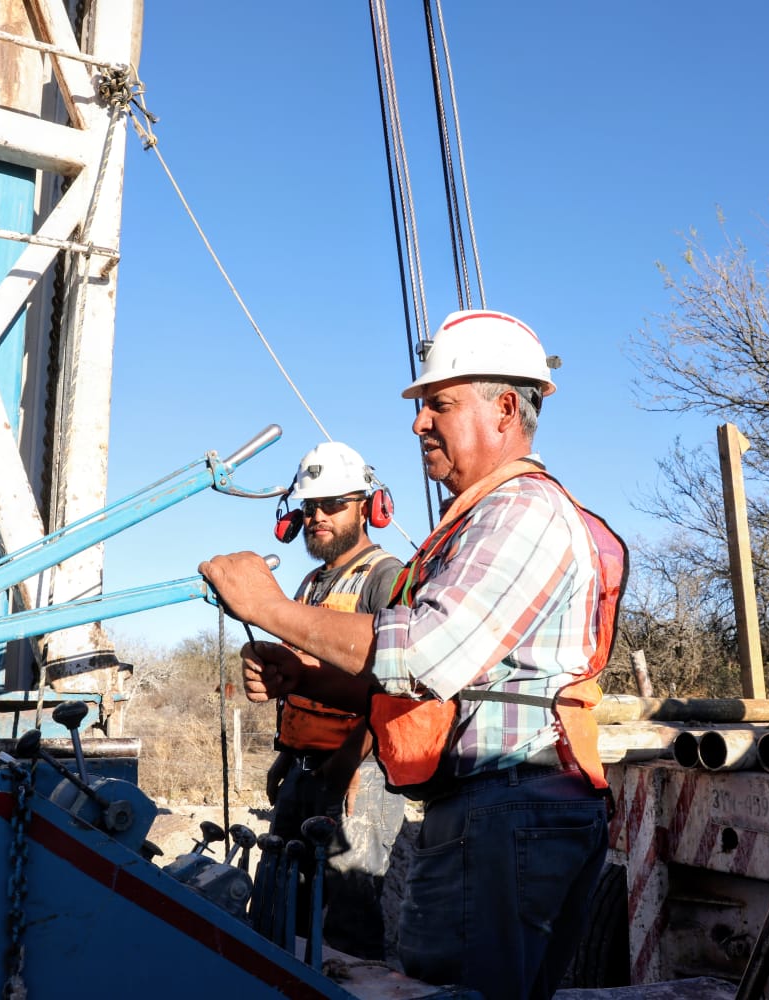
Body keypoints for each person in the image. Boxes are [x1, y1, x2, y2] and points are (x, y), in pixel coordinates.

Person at [201, 309, 627, 1000]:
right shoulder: (478, 521)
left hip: (507, 806)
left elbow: (424, 655)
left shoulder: (521, 510)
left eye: (439, 405)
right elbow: (432, 689)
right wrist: (305, 678)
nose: (418, 423)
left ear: (506, 409)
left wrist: (267, 609)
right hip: (492, 809)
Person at [263, 441, 406, 959]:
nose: (318, 516)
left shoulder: (385, 576)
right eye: (309, 507)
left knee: (349, 918)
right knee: (279, 906)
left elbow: (399, 685)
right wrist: (286, 755)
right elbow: (303, 679)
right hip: (305, 766)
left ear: (367, 506)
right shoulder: (310, 583)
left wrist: (351, 761)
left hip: (359, 772)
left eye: (333, 504)